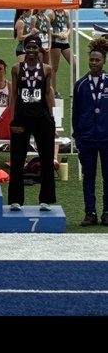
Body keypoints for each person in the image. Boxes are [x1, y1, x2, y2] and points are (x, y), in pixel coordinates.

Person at [8, 33, 56, 211]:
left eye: (34, 47)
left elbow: (47, 93)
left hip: (41, 117)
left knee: (46, 157)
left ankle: (46, 199)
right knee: (18, 158)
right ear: (24, 49)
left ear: (39, 49)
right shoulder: (16, 68)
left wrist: (51, 117)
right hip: (22, 117)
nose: (31, 51)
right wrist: (12, 118)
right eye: (28, 47)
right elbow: (13, 95)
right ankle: (15, 199)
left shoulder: (46, 69)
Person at [72, 37, 108, 226]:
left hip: (106, 138)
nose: (94, 63)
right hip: (86, 138)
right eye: (92, 59)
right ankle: (90, 212)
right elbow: (75, 112)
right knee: (89, 177)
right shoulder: (80, 84)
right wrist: (77, 136)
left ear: (104, 61)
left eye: (98, 60)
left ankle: (107, 212)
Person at [50, 8, 76, 94]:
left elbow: (69, 27)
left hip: (65, 41)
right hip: (55, 42)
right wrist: (57, 35)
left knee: (74, 64)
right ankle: (54, 91)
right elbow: (45, 30)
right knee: (55, 67)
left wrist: (66, 34)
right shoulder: (52, 14)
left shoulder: (66, 13)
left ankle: (75, 88)